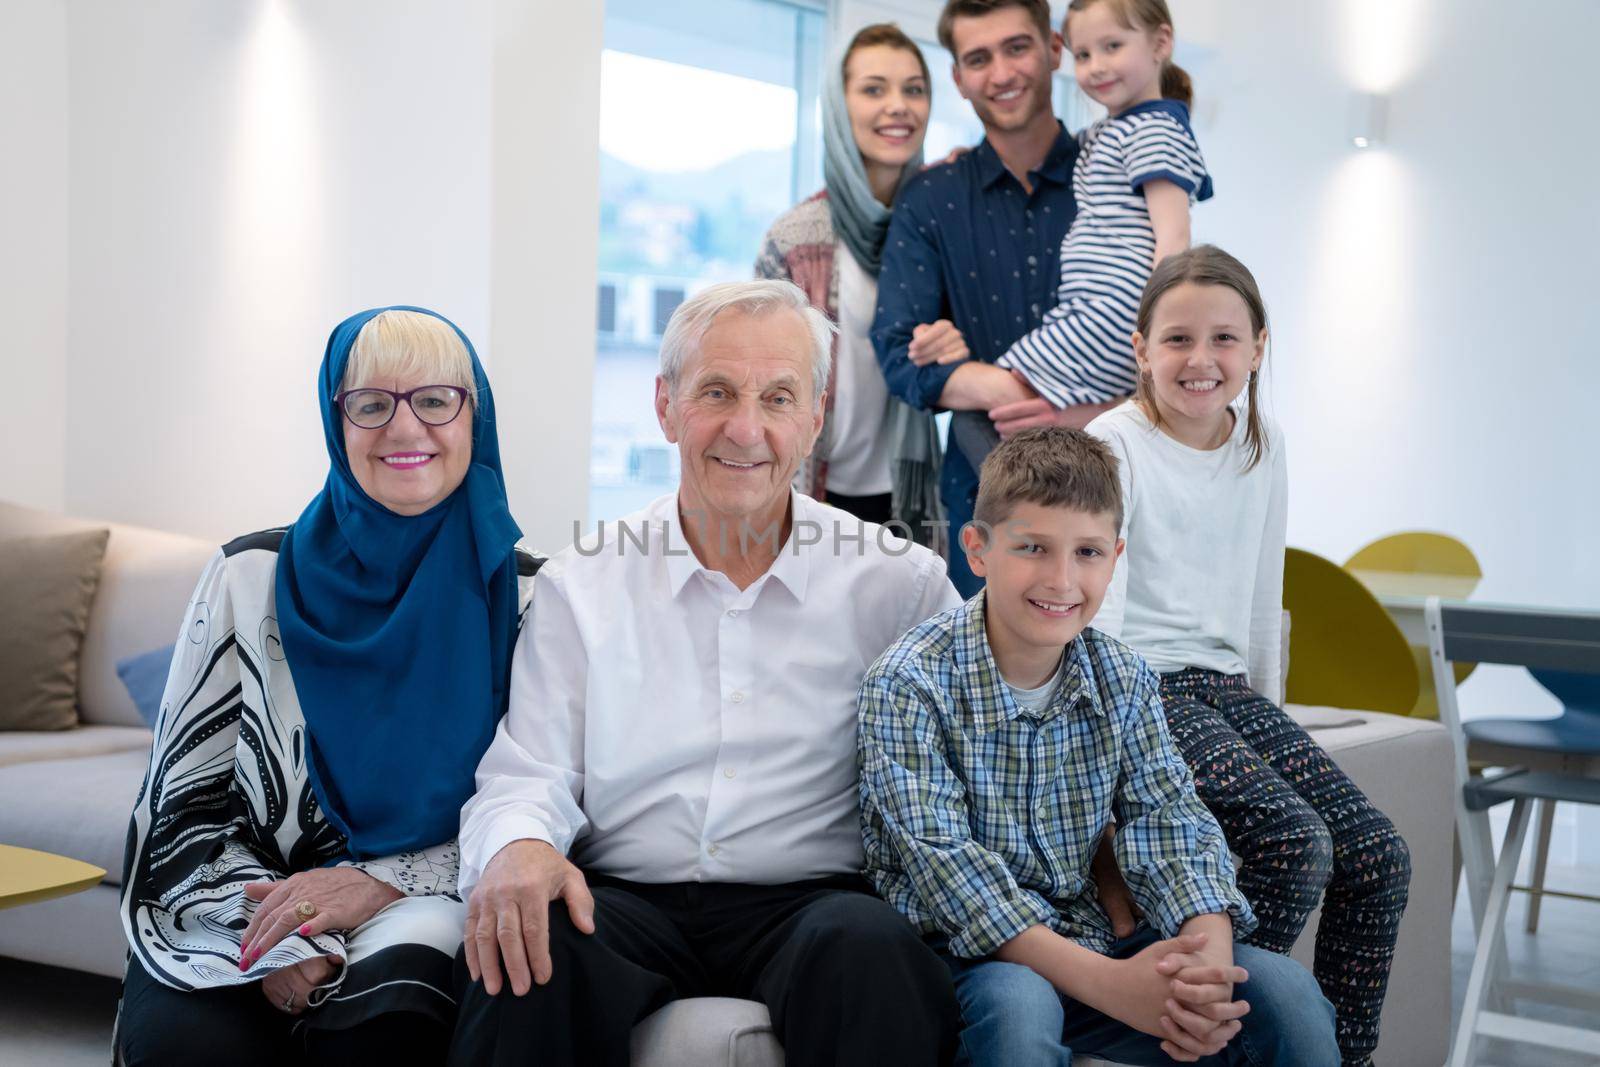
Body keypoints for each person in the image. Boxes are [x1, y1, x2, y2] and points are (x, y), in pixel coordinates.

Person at [448, 279, 963, 1067]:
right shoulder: (582, 581)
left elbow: (983, 755)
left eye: (779, 397)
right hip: (622, 896)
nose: (746, 428)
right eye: (716, 391)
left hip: (818, 903)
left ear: (817, 417)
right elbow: (528, 772)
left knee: (872, 947)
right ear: (665, 405)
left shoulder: (903, 584)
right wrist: (518, 845)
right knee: (528, 942)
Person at [117, 308, 539, 1066]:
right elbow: (179, 805)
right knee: (183, 1051)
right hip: (237, 907)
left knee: (390, 1021)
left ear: (477, 415)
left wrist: (374, 886)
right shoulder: (249, 576)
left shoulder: (534, 597)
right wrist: (284, 925)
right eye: (372, 404)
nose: (405, 429)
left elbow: (549, 813)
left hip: (425, 904)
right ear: (335, 422)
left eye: (437, 400)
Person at [858, 426, 1340, 1066]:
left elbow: (1171, 820)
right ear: (977, 550)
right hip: (969, 955)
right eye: (1032, 547)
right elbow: (950, 873)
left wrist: (1207, 960)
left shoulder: (1124, 675)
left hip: (1095, 937)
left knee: (1286, 993)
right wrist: (1114, 986)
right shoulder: (908, 682)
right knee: (1020, 1010)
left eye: (1087, 553)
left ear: (1115, 556)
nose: (1061, 579)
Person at [1087, 247, 1410, 1067]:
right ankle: (1200, 1029)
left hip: (1226, 689)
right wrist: (1111, 760)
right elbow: (1099, 613)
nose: (1202, 360)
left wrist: (1275, 728)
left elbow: (1263, 605)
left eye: (1225, 339)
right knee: (1293, 840)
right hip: (1144, 687)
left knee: (1378, 854)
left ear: (1259, 348)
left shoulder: (1263, 446)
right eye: (1178, 339)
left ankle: (1339, 1056)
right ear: (1141, 347)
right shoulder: (1113, 444)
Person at [873, 0, 1106, 596]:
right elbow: (900, 351)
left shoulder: (1115, 178)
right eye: (978, 58)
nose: (1000, 74)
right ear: (958, 78)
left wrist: (1068, 413)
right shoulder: (930, 198)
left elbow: (1163, 336)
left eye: (1017, 48)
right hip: (983, 499)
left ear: (1054, 49)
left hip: (1117, 486)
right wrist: (1005, 388)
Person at [950, 0, 1210, 471]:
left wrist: (1154, 331)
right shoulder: (1116, 129)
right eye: (1085, 54)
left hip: (1111, 310)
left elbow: (1174, 239)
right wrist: (966, 161)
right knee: (1023, 419)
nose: (1096, 66)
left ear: (1160, 44)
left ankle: (1022, 498)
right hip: (1100, 310)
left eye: (1112, 46)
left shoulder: (1154, 129)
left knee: (978, 415)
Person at [755, 23, 952, 543]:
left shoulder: (943, 226)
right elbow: (763, 381)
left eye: (914, 89)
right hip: (813, 493)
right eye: (873, 89)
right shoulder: (796, 238)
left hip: (914, 493)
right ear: (840, 107)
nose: (898, 106)